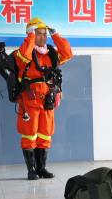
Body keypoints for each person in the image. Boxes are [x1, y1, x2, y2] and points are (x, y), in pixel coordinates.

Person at [14, 17, 73, 180]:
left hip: (47, 101)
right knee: (29, 135)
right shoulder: (23, 52)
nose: (43, 37)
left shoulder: (51, 54)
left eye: (44, 34)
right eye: (38, 34)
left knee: (45, 135)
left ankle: (42, 169)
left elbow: (68, 53)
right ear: (31, 34)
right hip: (30, 101)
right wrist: (30, 37)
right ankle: (31, 170)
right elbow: (24, 56)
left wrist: (56, 35)